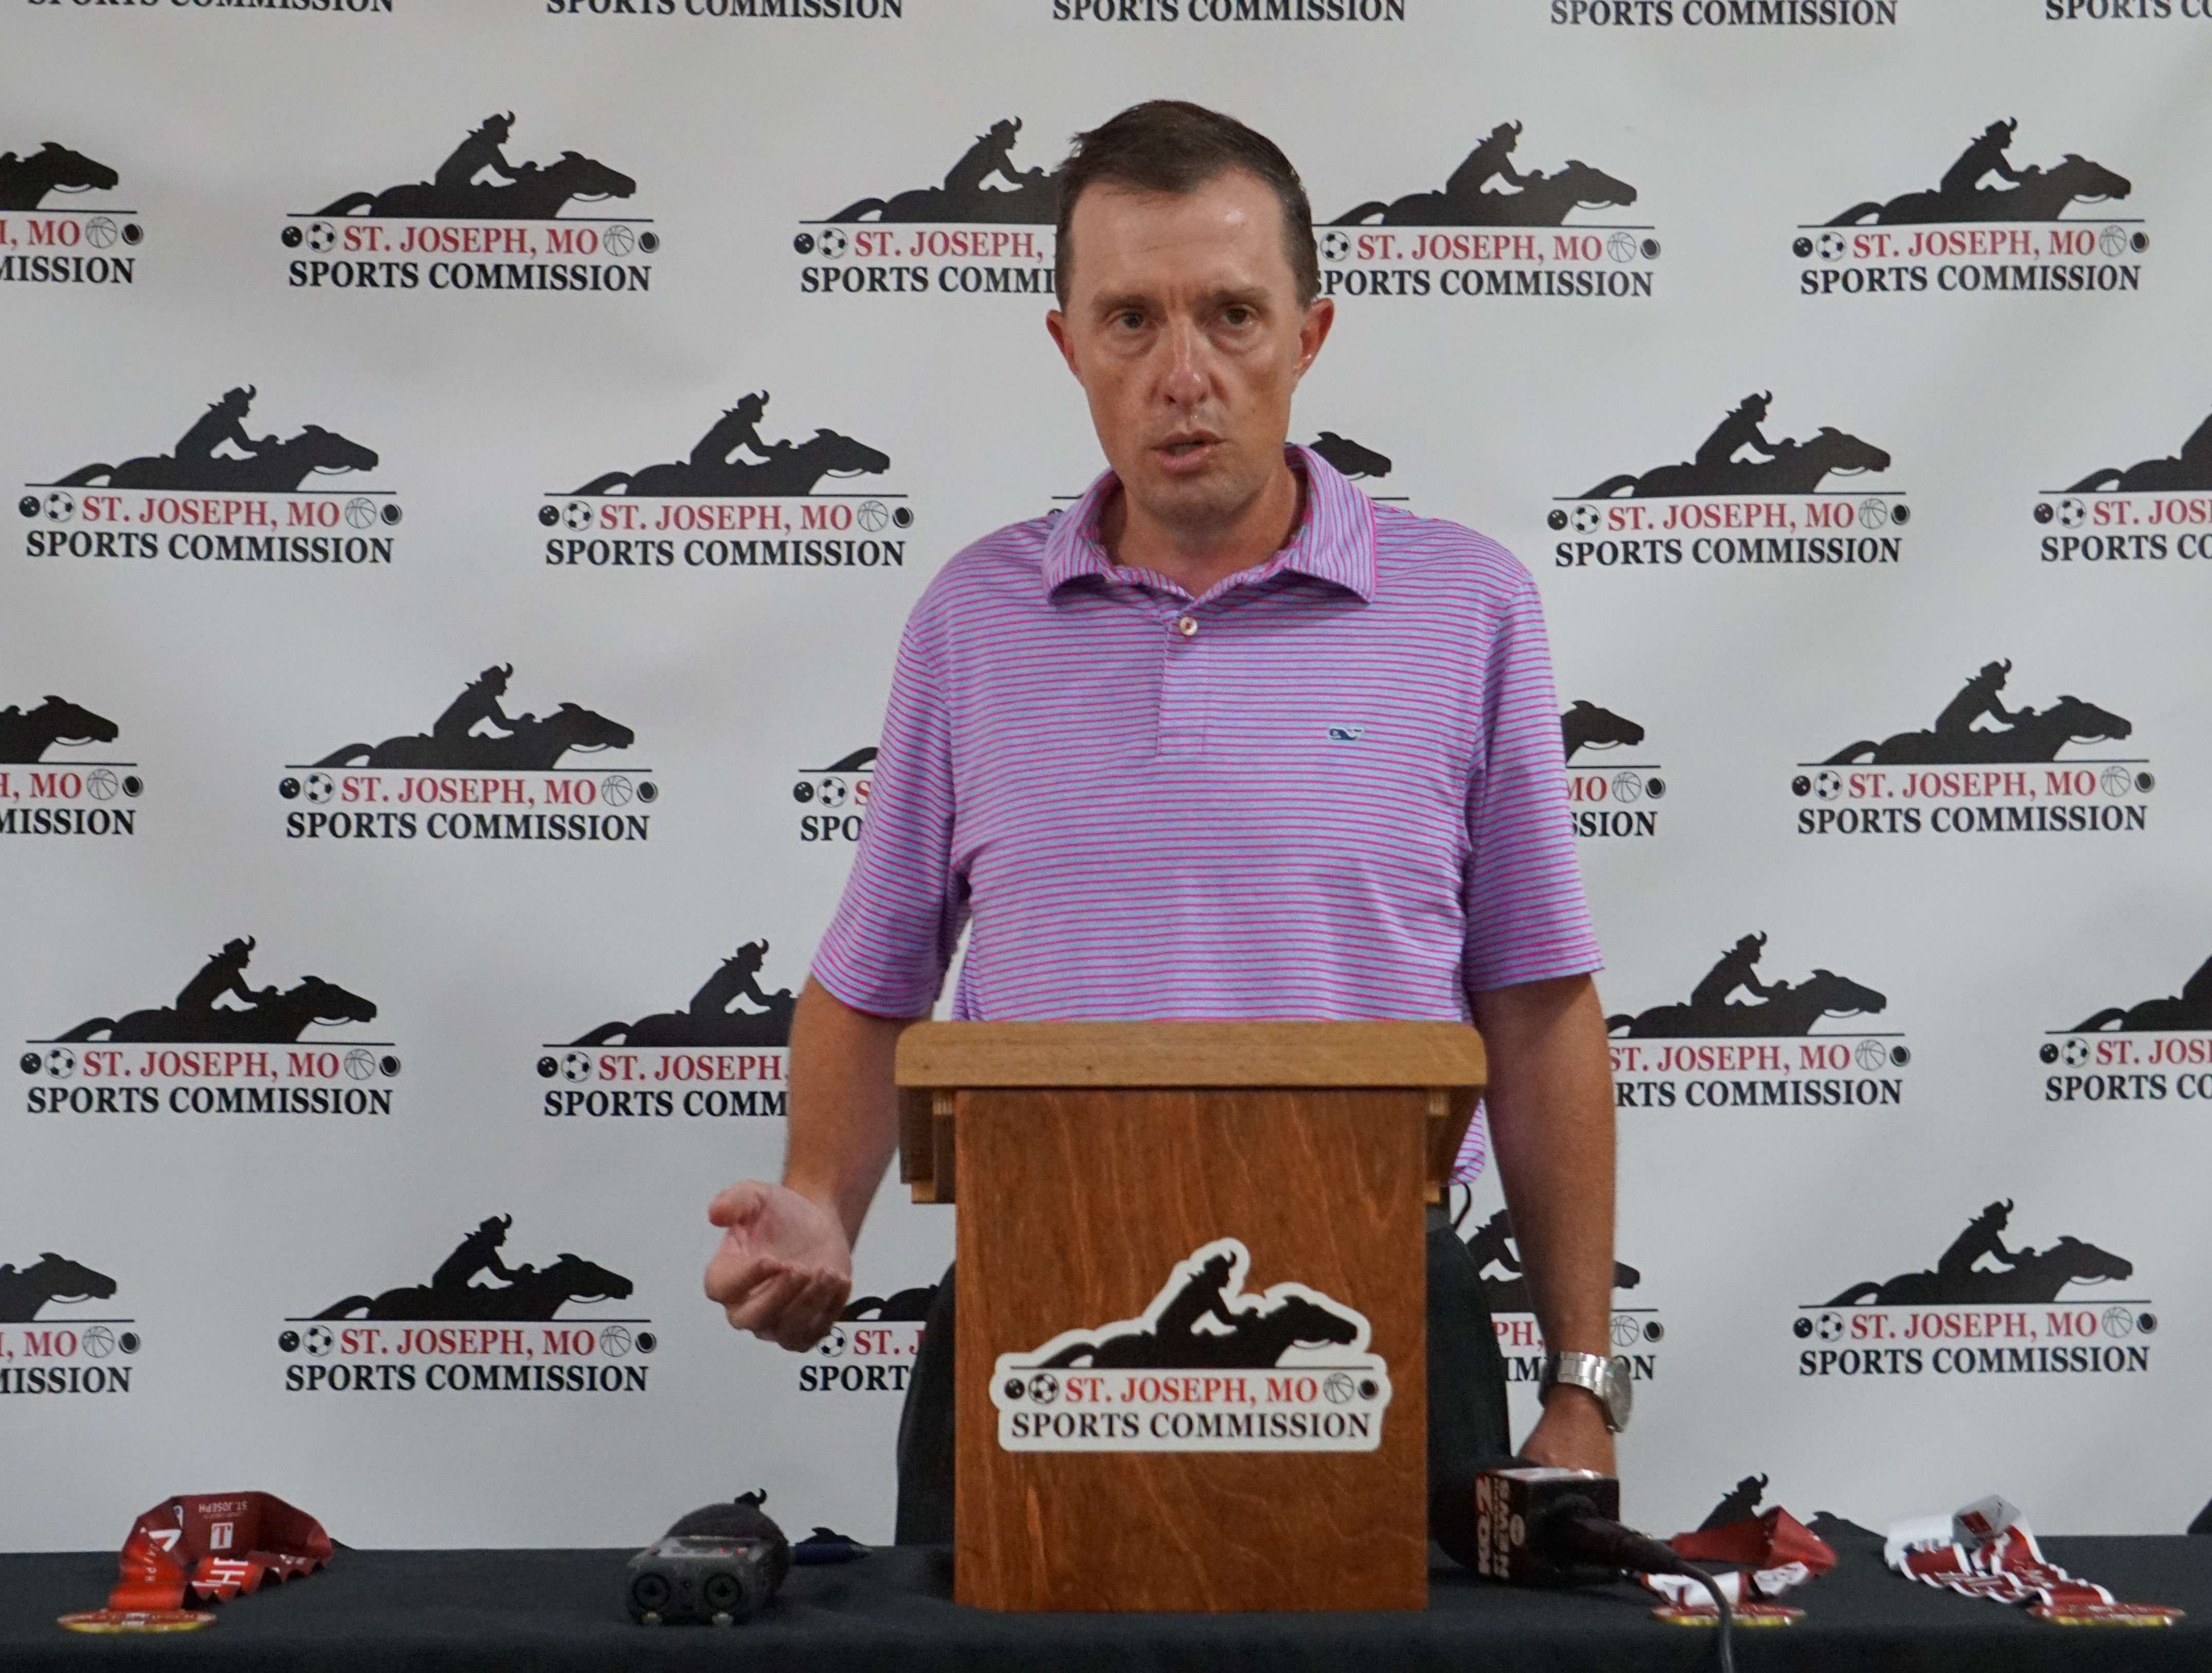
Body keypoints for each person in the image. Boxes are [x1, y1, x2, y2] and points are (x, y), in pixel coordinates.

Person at [703, 100, 1619, 1544]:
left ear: (1308, 335)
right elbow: (873, 972)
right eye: (1129, 320)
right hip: (1034, 1299)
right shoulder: (971, 618)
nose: (1181, 373)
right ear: (1066, 345)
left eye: (1230, 315)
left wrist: (1579, 1379)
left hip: (1370, 1310)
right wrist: (820, 1198)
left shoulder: (1468, 607)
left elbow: (1536, 998)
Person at [173, 936, 277, 1023]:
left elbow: (246, 995)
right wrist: (266, 996)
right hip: (193, 1008)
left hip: (191, 1005)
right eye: (246, 955)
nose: (248, 960)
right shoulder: (227, 971)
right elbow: (246, 996)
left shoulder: (222, 967)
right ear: (238, 956)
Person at [172, 387, 277, 469]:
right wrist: (265, 445)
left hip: (191, 455)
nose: (248, 409)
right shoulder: (227, 420)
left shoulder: (222, 415)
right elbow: (245, 445)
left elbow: (245, 444)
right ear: (238, 405)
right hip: (191, 458)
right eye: (246, 404)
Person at [1693, 392, 1787, 477]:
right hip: (1710, 462)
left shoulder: (1740, 421)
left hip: (1708, 460)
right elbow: (1764, 449)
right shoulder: (1745, 425)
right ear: (1755, 410)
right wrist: (1785, 449)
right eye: (1762, 410)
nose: (1765, 414)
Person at [431, 664, 528, 745]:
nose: (505, 687)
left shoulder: (479, 694)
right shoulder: (484, 698)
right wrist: (524, 725)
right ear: (494, 683)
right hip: (448, 735)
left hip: (447, 733)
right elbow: (502, 723)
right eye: (502, 683)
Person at [1938, 118, 2024, 210]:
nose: (2010, 140)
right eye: (2007, 136)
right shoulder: (1990, 152)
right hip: (1957, 190)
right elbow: (2009, 176)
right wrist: (2029, 176)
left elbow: (2009, 175)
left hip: (1953, 187)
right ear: (1999, 137)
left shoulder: (1985, 148)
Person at [1933, 660, 2024, 740]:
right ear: (1993, 678)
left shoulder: (1978, 689)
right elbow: (2003, 717)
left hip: (1949, 727)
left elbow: (2003, 716)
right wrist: (2024, 718)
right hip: (1951, 730)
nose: (2004, 682)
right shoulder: (1984, 693)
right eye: (2001, 678)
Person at [434, 114, 524, 194]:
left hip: (452, 183)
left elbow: (505, 171)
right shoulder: (486, 147)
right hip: (451, 185)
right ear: (496, 130)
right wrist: (526, 173)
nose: (507, 135)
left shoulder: (481, 143)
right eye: (504, 130)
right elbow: (505, 171)